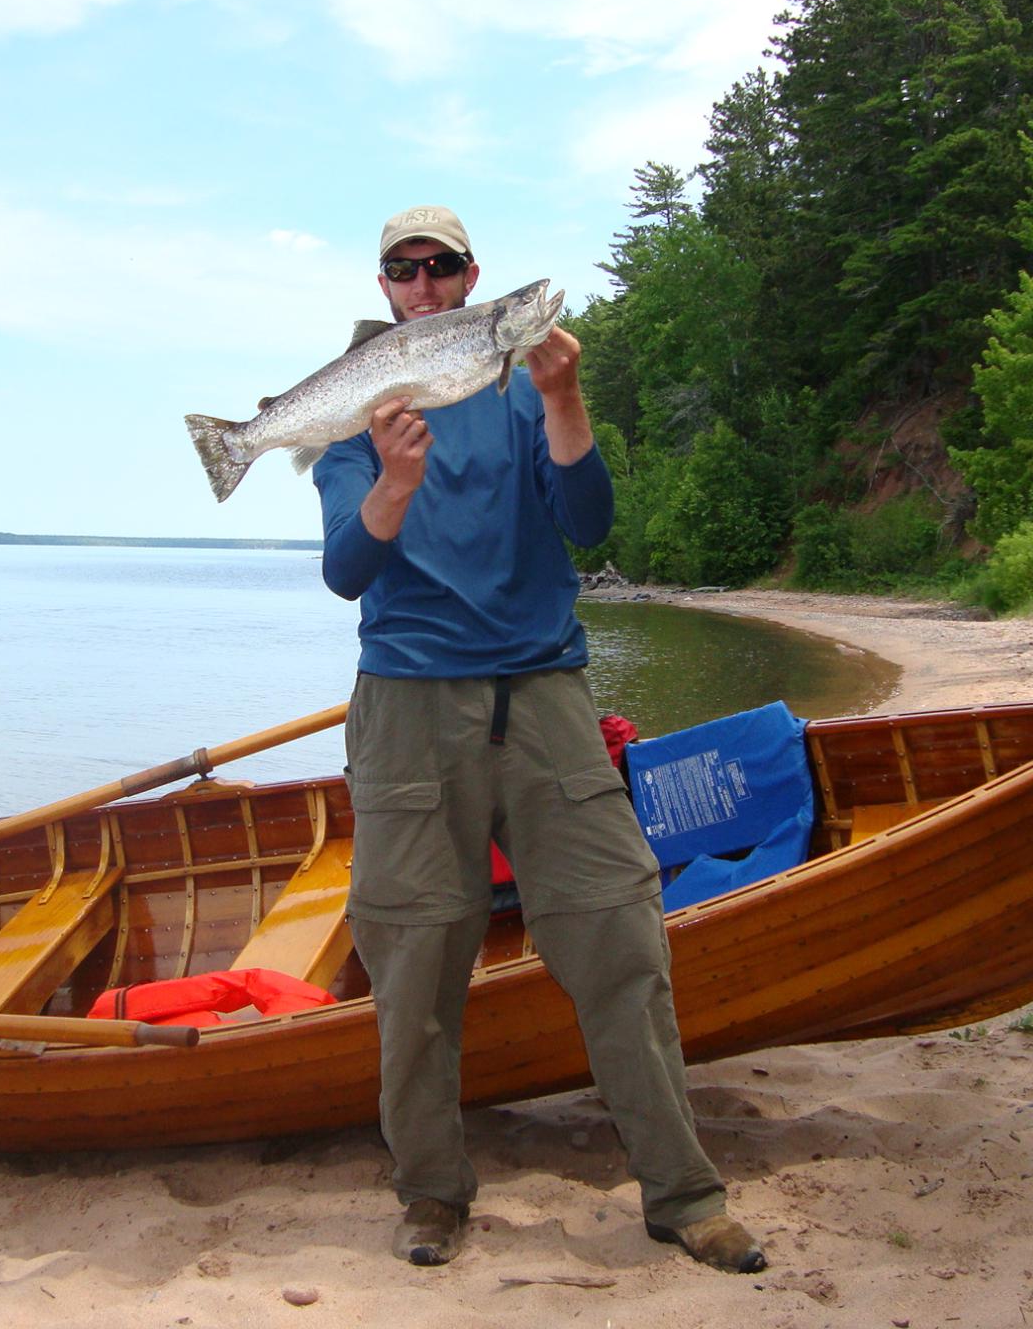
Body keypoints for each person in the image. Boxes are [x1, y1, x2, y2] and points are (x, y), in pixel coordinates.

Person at [311, 204, 766, 1274]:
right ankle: (428, 1194)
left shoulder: (521, 384)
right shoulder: (351, 406)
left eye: (442, 267)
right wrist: (390, 484)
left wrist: (563, 395)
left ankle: (683, 1191)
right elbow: (344, 571)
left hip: (546, 692)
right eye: (403, 271)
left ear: (472, 281)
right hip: (408, 703)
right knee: (416, 958)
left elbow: (590, 516)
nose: (423, 283)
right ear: (385, 291)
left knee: (617, 930)